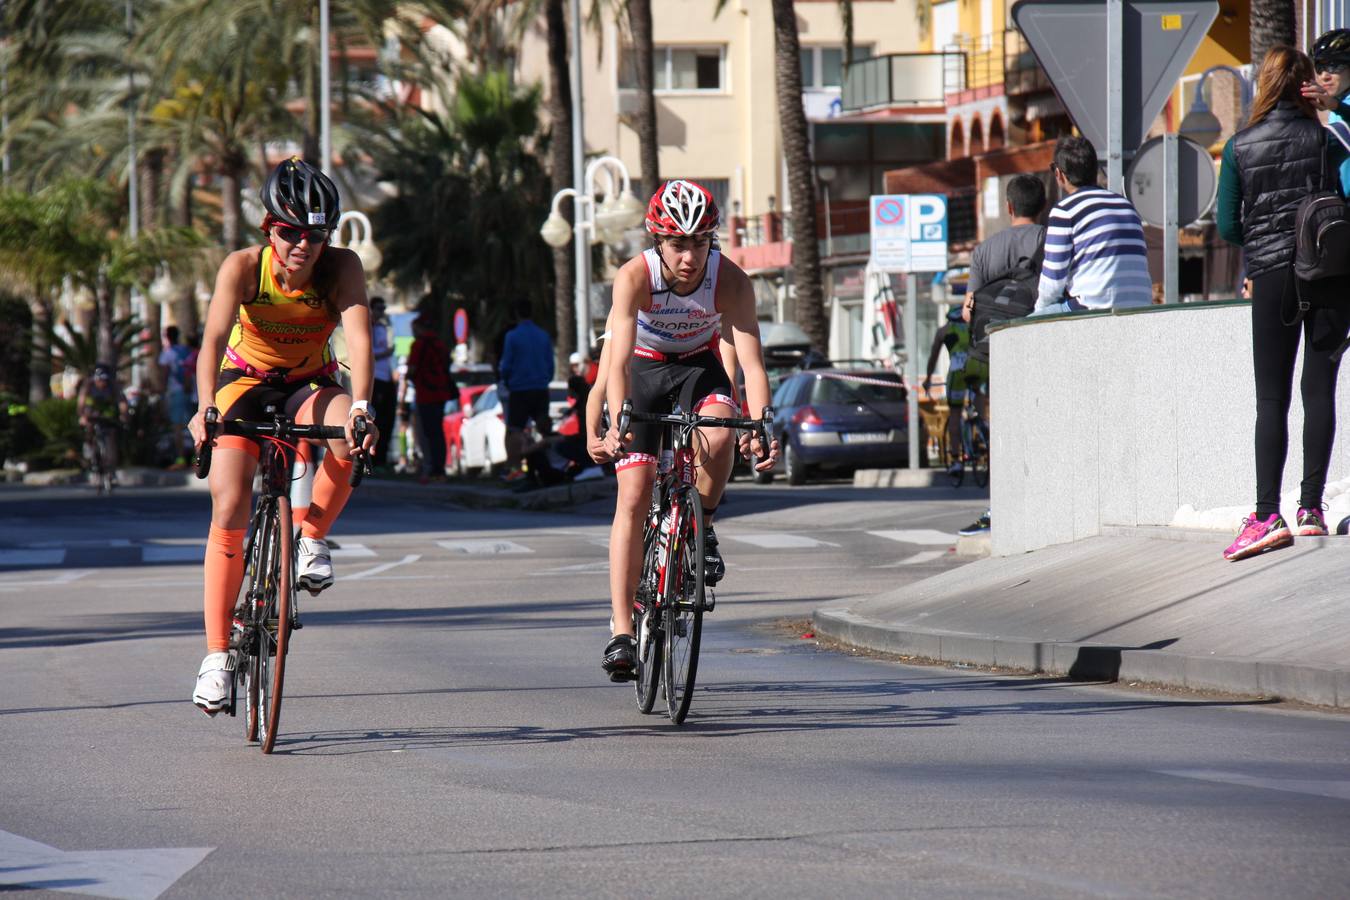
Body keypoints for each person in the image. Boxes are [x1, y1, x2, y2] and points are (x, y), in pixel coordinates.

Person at [187, 156, 379, 715]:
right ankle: (218, 658)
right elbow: (212, 343)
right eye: (290, 232)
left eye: (315, 235)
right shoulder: (244, 267)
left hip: (308, 380)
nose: (302, 245)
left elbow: (359, 342)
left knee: (347, 433)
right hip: (243, 381)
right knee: (228, 500)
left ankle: (309, 536)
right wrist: (204, 410)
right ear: (269, 229)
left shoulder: (341, 267)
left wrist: (363, 406)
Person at [598, 179, 779, 681]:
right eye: (678, 244)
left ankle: (706, 527)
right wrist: (618, 419)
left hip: (700, 367)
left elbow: (752, 364)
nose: (689, 256)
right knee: (633, 493)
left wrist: (764, 423)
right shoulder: (636, 276)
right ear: (658, 242)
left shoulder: (731, 280)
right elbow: (615, 363)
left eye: (700, 242)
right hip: (645, 369)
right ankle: (621, 631)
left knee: (720, 431)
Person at [1216, 45, 1350, 561]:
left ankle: (1267, 513)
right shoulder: (1327, 138)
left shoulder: (1239, 147)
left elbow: (1229, 225)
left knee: (1271, 398)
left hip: (1272, 276)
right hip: (1331, 273)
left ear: (1264, 85)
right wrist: (1337, 108)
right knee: (1320, 389)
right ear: (1305, 87)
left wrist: (1262, 241)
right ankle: (1312, 508)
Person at [953, 174, 1048, 536]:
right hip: (1040, 348)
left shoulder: (984, 250)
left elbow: (968, 309)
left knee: (1003, 429)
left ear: (1009, 207)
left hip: (996, 354)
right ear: (1043, 207)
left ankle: (1001, 505)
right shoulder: (1048, 239)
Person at [1034, 136, 1152, 314]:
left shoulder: (1065, 211)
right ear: (1095, 169)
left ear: (1059, 174)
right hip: (1140, 305)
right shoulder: (1127, 207)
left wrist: (1037, 316)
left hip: (1092, 308)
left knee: (1015, 334)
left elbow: (1052, 283)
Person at [499, 300, 555, 471]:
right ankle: (550, 464)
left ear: (517, 314)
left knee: (514, 430)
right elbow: (550, 364)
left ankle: (514, 469)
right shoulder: (543, 335)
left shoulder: (512, 336)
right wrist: (545, 380)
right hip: (540, 388)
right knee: (544, 427)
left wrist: (506, 380)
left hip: (519, 389)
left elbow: (506, 364)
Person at [404, 312, 455, 483]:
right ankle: (439, 470)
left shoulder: (418, 345)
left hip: (425, 394)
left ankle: (431, 469)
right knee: (438, 433)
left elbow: (411, 370)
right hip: (441, 393)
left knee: (426, 434)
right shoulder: (440, 344)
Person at [77, 362, 128, 480]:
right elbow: (81, 402)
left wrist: (124, 415)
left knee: (112, 437)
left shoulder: (113, 386)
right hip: (92, 413)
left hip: (107, 415)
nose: (102, 382)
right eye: (99, 379)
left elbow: (122, 401)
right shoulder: (88, 385)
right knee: (89, 427)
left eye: (104, 379)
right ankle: (89, 449)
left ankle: (111, 469)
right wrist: (82, 416)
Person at [369, 296, 397, 468]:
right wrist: (385, 353)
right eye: (378, 308)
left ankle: (382, 458)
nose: (381, 312)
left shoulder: (384, 328)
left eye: (383, 308)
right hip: (375, 377)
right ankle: (373, 457)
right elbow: (365, 354)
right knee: (376, 419)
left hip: (386, 377)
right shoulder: (368, 327)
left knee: (388, 419)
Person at [159, 325, 193, 465]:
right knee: (191, 424)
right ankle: (194, 457)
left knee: (177, 426)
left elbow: (165, 374)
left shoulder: (168, 353)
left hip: (176, 391)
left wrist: (162, 391)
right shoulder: (186, 350)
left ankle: (180, 458)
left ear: (167, 337)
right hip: (190, 391)